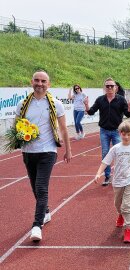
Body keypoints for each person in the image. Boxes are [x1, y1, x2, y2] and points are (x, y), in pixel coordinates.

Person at [15, 70, 72, 242]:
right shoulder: (22, 104)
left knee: (41, 187)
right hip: (28, 151)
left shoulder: (56, 104)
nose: (40, 84)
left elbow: (63, 129)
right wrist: (18, 136)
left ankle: (37, 225)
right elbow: (16, 126)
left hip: (48, 151)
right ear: (31, 82)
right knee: (34, 187)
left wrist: (68, 150)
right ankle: (45, 211)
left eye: (43, 81)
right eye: (37, 80)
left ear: (49, 84)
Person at [95, 121, 130, 243]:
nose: (126, 137)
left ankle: (128, 229)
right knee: (118, 204)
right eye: (123, 134)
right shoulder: (115, 148)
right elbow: (105, 161)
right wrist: (98, 173)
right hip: (117, 181)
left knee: (127, 205)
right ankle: (120, 214)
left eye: (129, 134)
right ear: (120, 134)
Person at [84, 77, 130, 186]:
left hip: (117, 131)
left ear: (116, 88)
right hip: (104, 131)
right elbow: (91, 112)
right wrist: (86, 105)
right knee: (105, 153)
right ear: (104, 88)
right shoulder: (100, 99)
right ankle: (107, 176)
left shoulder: (121, 99)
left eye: (112, 86)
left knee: (120, 154)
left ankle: (120, 175)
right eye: (107, 86)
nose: (110, 88)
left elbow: (128, 114)